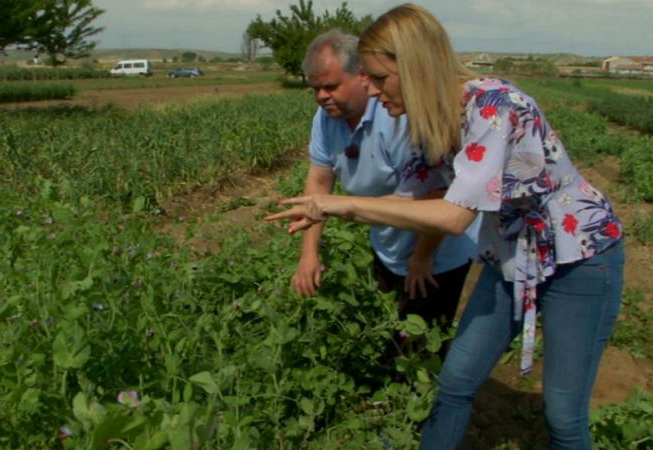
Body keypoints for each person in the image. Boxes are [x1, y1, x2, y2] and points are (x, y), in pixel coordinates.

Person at [266, 5, 625, 449]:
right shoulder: (429, 124)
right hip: (509, 257)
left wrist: (341, 205)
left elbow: (454, 216)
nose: (373, 91)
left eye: (380, 78)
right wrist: (331, 208)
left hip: (579, 260)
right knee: (454, 382)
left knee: (563, 415)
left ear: (413, 67)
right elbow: (409, 201)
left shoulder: (494, 105)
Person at [293, 29, 479, 353]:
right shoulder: (324, 120)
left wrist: (423, 259)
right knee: (389, 338)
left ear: (362, 76)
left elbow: (438, 193)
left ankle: (428, 398)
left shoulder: (399, 116)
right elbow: (319, 182)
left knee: (421, 347)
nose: (322, 96)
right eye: (315, 89)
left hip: (438, 251)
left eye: (331, 86)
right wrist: (309, 253)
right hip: (386, 243)